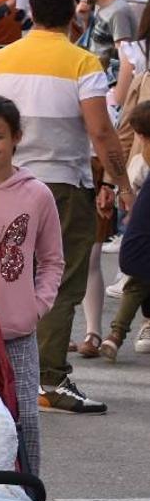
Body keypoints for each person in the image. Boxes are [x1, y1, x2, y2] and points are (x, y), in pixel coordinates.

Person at [0, 0, 134, 413]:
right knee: (57, 280)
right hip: (62, 184)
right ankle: (49, 378)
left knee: (5, 277)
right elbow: (101, 130)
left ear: (32, 13)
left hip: (4, 181)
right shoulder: (82, 62)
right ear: (72, 16)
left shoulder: (0, 61)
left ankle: (1, 373)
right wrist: (119, 183)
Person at [0, 95, 63, 475]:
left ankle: (28, 496)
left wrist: (36, 306)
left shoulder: (37, 193)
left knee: (23, 421)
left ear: (17, 136)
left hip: (18, 334)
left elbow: (53, 260)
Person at [98, 101, 150, 360]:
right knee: (140, 276)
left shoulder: (141, 159)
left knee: (139, 277)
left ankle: (116, 335)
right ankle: (119, 334)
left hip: (141, 232)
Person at [78, 0, 139, 71]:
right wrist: (86, 20)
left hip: (107, 82)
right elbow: (98, 43)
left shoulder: (118, 11)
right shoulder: (102, 7)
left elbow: (124, 58)